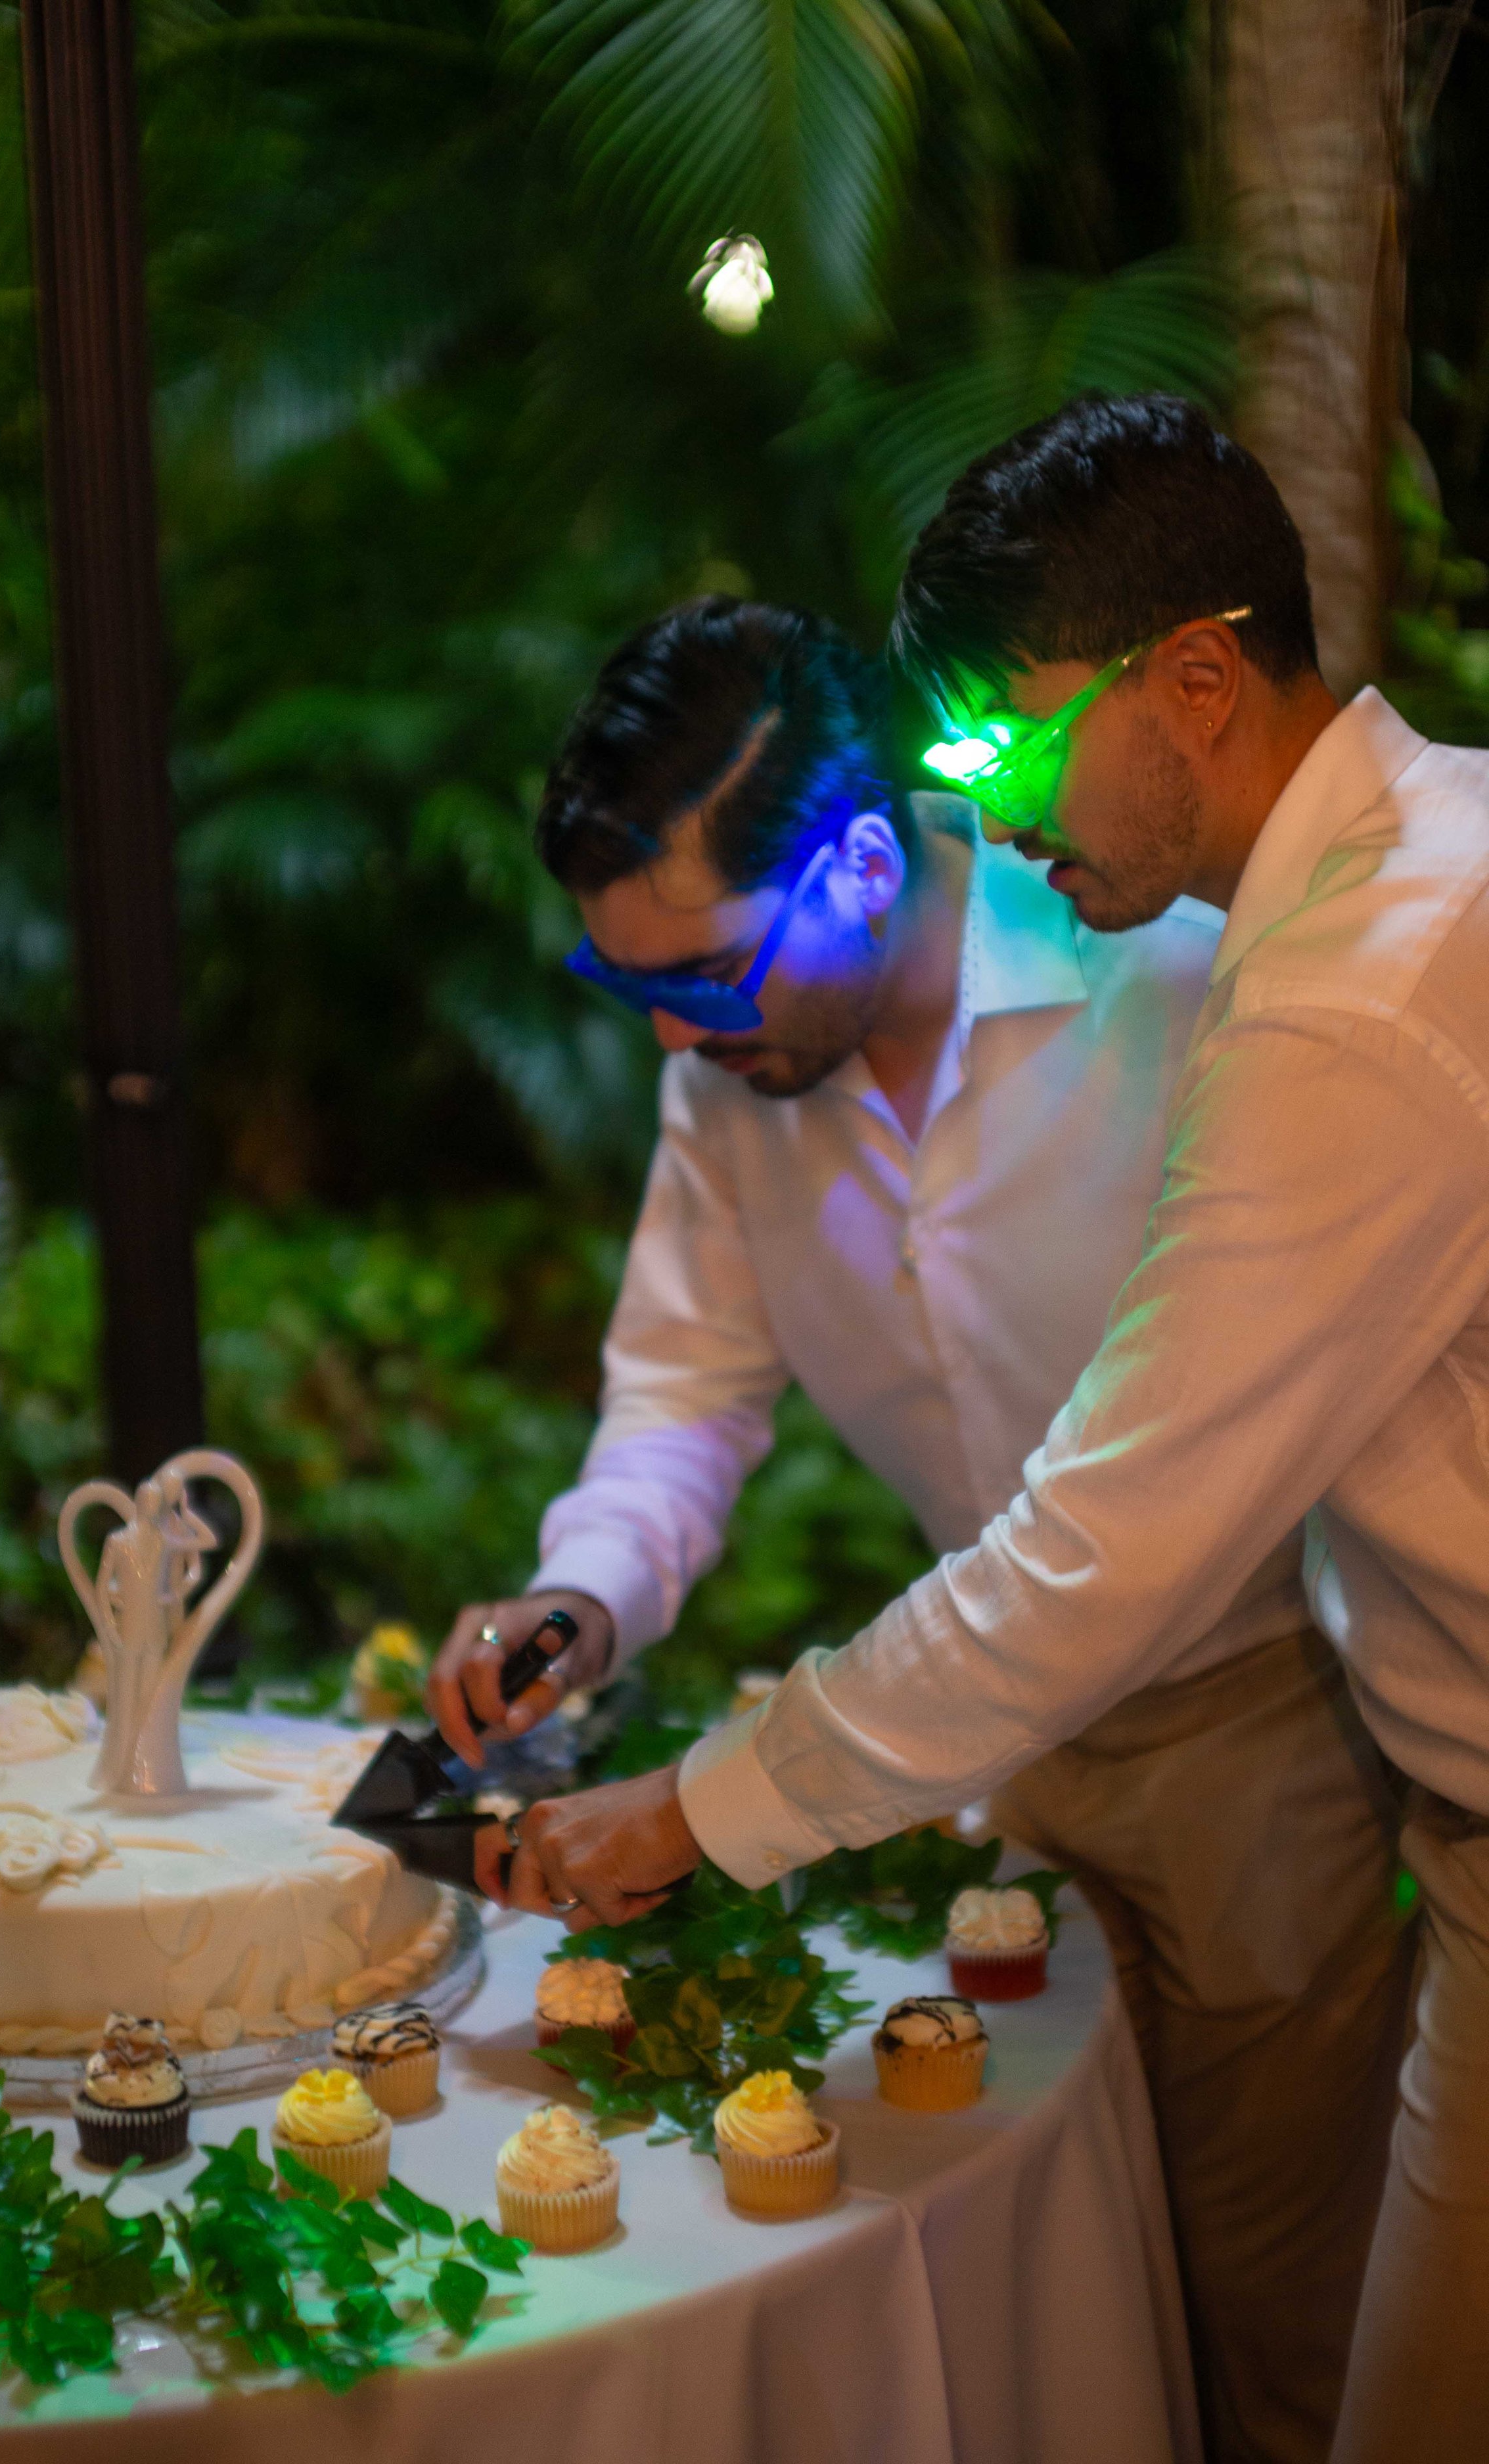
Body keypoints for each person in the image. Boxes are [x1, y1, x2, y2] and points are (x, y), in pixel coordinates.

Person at [495, 398, 1489, 2464]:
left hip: (1256, 1722)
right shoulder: (742, 1077)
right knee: (1078, 2273)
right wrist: (590, 1593)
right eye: (628, 997)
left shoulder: (1248, 976)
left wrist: (697, 1806)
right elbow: (683, 1389)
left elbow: (1099, 1550)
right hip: (993, 1748)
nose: (676, 1036)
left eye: (701, 973)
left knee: (1297, 2332)